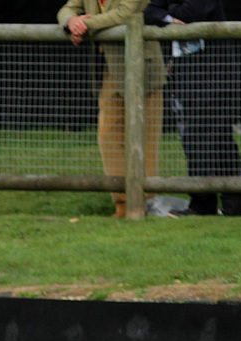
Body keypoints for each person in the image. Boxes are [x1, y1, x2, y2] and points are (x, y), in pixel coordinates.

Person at [146, 0, 241, 215]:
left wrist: (168, 12)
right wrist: (169, 17)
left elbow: (189, 12)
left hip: (215, 77)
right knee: (207, 143)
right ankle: (237, 203)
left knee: (209, 143)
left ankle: (208, 204)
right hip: (187, 78)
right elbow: (149, 10)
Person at [58, 0, 166, 217]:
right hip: (109, 69)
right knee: (108, 135)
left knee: (145, 139)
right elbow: (68, 8)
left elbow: (126, 12)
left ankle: (146, 202)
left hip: (143, 68)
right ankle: (122, 203)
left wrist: (86, 25)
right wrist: (71, 21)